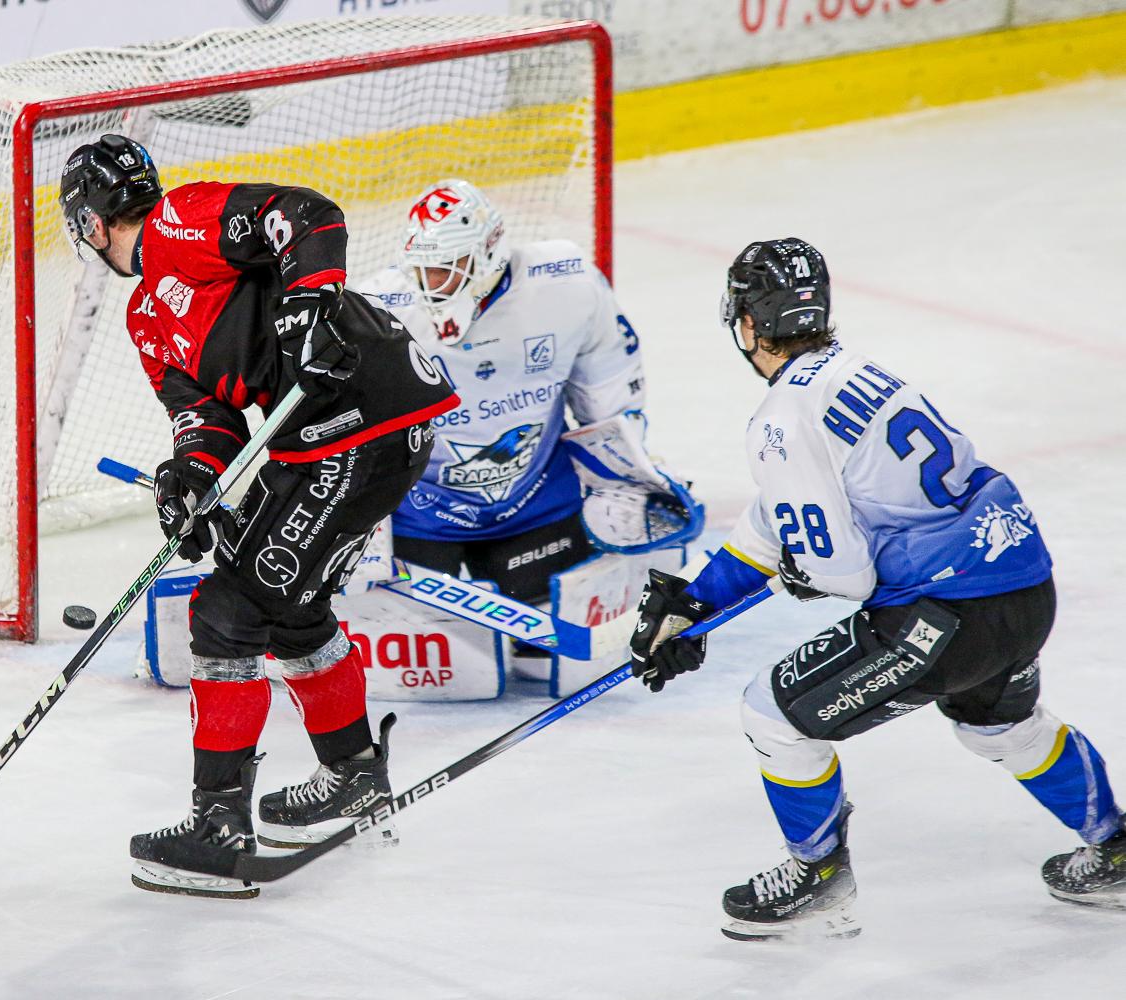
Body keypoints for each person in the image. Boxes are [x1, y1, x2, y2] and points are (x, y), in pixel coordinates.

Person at [630, 237, 1124, 939]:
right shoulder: (857, 372)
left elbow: (842, 573)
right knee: (1001, 727)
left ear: (747, 324)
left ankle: (819, 878)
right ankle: (1117, 845)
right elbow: (779, 520)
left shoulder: (781, 417)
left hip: (946, 613)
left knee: (774, 716)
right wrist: (698, 605)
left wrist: (808, 569)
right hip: (1022, 585)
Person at [59, 135, 458, 898]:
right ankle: (351, 776)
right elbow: (205, 417)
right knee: (292, 607)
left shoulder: (183, 218)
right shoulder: (145, 318)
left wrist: (310, 300)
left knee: (227, 611)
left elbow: (306, 216)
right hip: (324, 441)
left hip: (363, 417)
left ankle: (219, 826)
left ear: (91, 221)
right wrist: (190, 480)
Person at [356, 181, 699, 668]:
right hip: (422, 521)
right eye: (421, 270)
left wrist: (625, 475)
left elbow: (611, 390)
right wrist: (355, 519)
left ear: (488, 255)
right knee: (444, 667)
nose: (430, 285)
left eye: (445, 270)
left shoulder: (567, 285)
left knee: (542, 661)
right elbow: (343, 431)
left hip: (536, 510)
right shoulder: (376, 311)